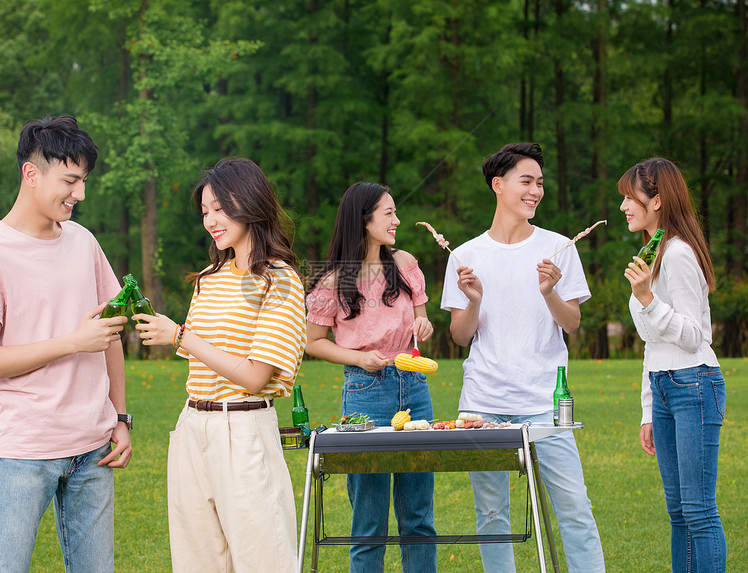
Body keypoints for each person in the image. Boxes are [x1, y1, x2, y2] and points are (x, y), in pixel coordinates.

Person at [0, 114, 132, 573]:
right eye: (70, 180)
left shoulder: (83, 242)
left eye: (83, 182)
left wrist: (119, 417)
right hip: (24, 450)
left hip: (94, 449)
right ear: (31, 174)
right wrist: (72, 342)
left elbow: (109, 334)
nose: (79, 194)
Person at [134, 158, 307, 572]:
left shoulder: (279, 280)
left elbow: (253, 375)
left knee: (264, 560)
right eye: (205, 212)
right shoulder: (209, 278)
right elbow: (204, 362)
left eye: (220, 208)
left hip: (244, 432)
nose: (211, 220)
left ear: (249, 202)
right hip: (193, 428)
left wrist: (180, 336)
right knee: (198, 562)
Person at [440, 143, 606, 573]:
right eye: (526, 181)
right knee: (492, 516)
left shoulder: (559, 249)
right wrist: (474, 300)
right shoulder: (466, 255)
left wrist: (549, 291)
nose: (536, 191)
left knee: (574, 509)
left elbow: (572, 324)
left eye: (540, 183)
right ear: (498, 185)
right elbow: (460, 335)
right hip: (483, 402)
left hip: (545, 403)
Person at [305, 182, 437, 573]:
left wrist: (424, 323)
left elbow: (421, 314)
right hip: (365, 393)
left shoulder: (405, 264)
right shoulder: (333, 280)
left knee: (418, 517)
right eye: (389, 213)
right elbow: (313, 342)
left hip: (414, 388)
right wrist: (359, 359)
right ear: (364, 221)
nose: (397, 221)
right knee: (369, 522)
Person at [620, 158, 726, 572]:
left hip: (694, 384)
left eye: (631, 198)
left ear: (658, 201)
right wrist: (648, 408)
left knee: (699, 511)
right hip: (666, 387)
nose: (625, 207)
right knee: (678, 512)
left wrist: (647, 298)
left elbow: (692, 335)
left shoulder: (678, 254)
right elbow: (653, 343)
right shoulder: (654, 252)